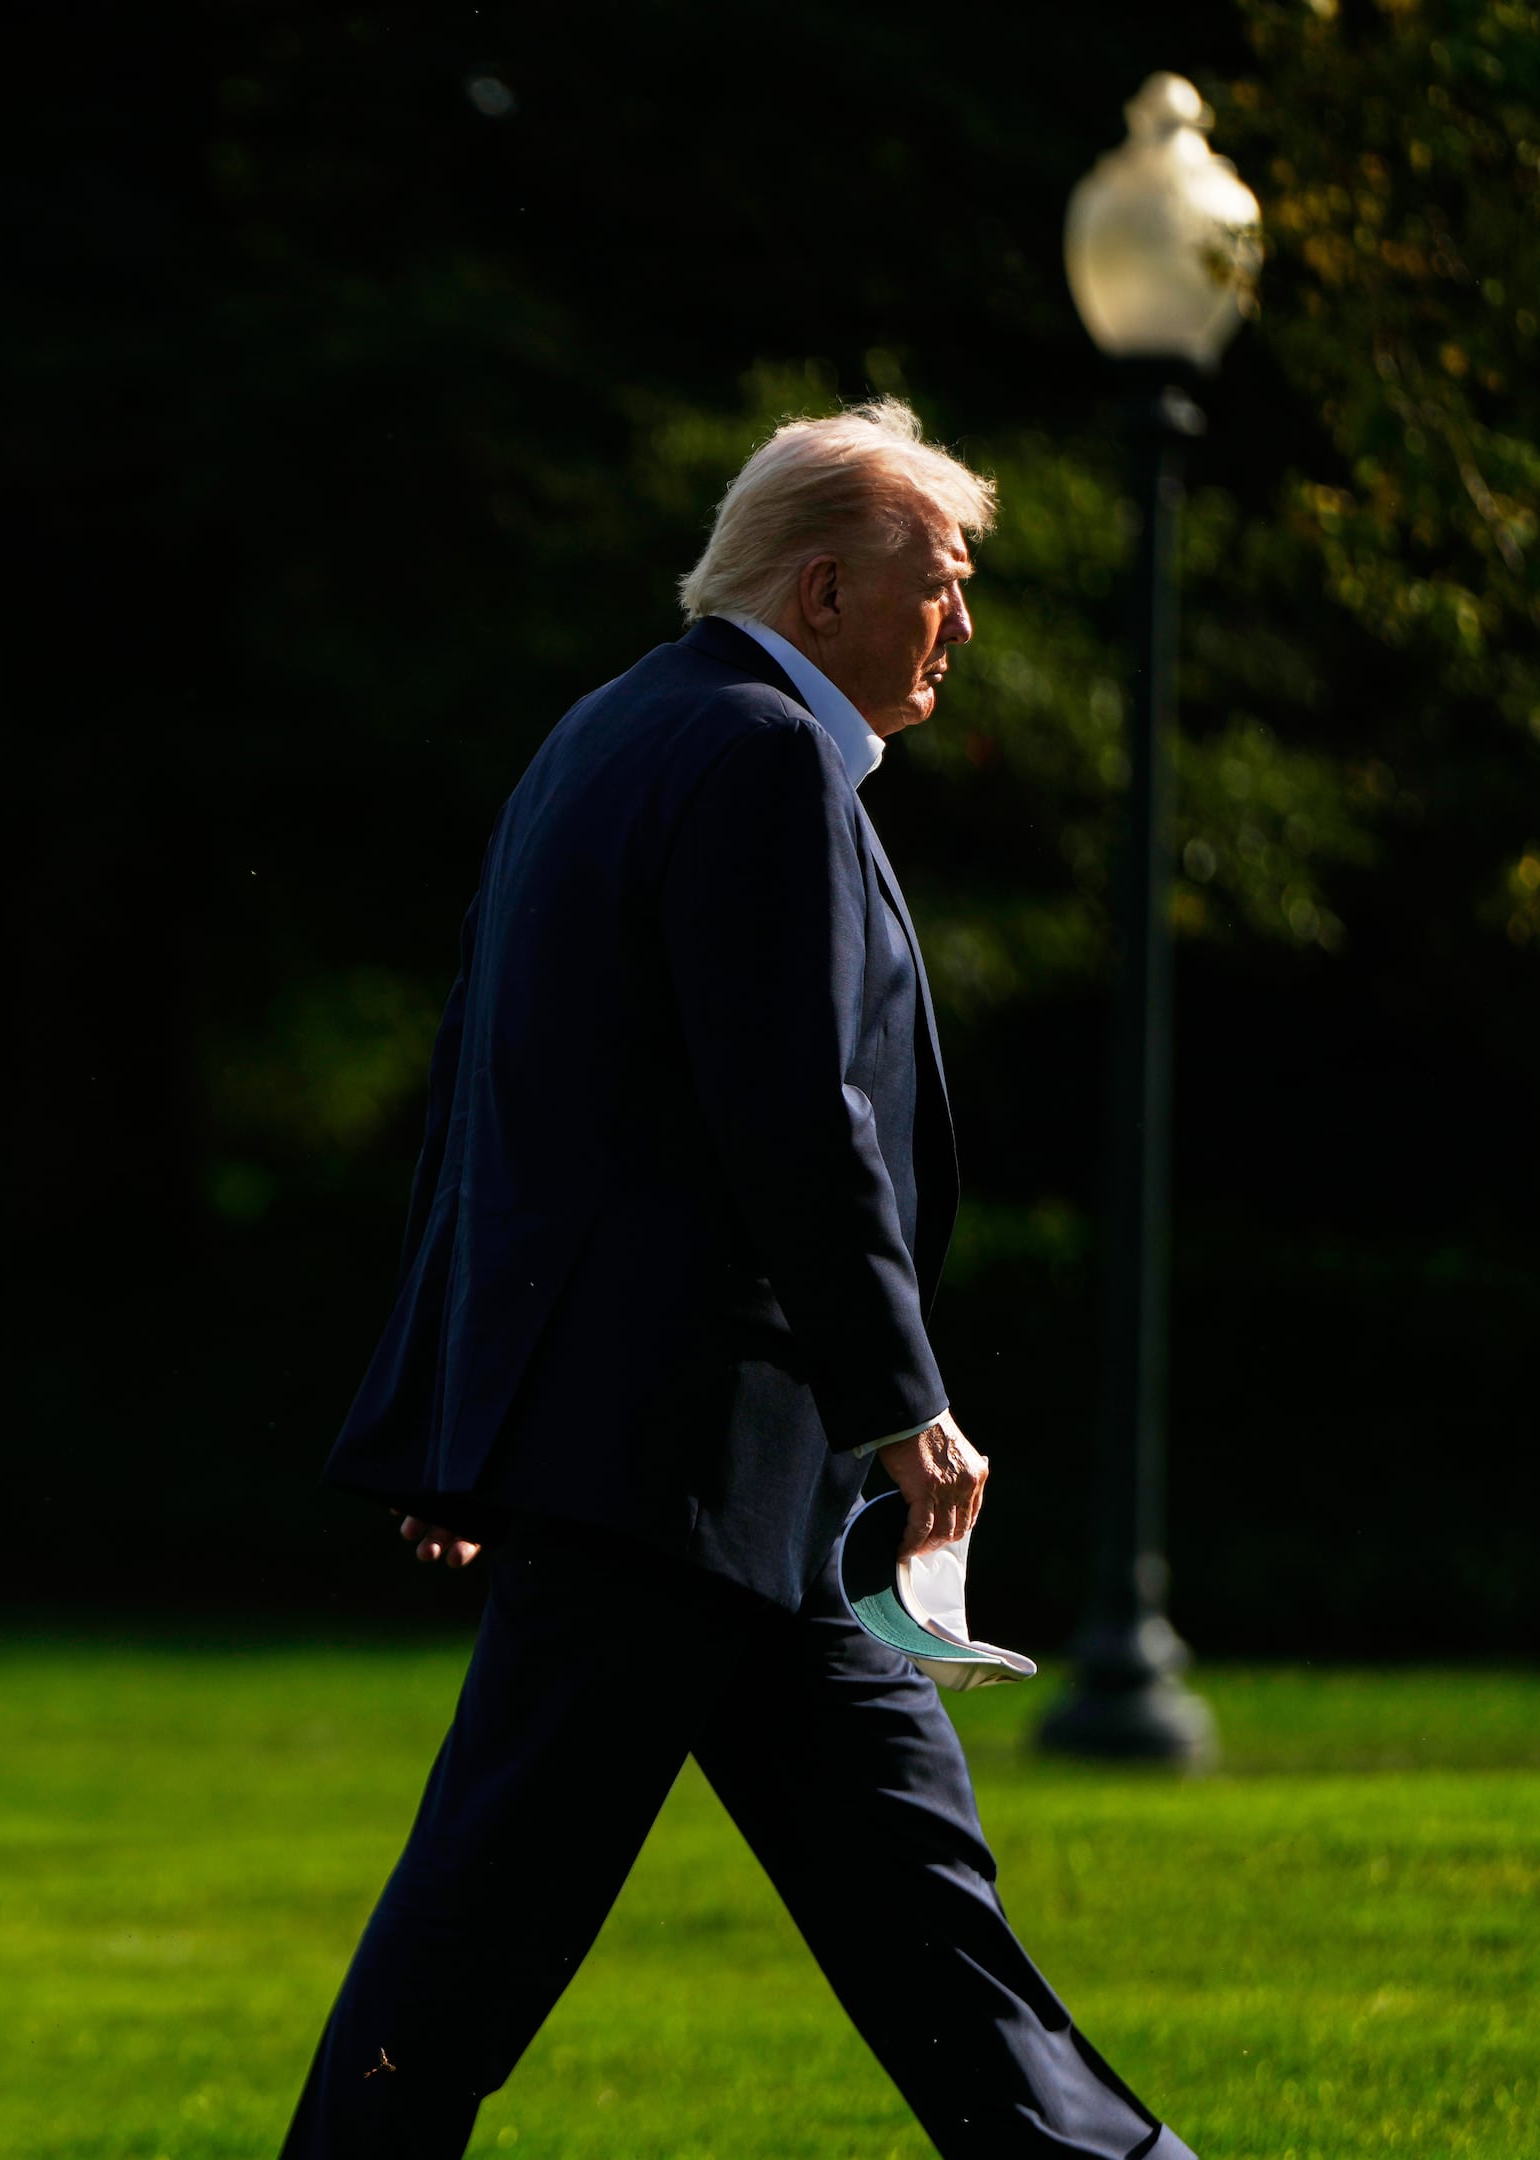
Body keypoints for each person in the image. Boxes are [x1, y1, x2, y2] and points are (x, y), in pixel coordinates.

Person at [288, 401, 1197, 2159]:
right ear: (830, 584)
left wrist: (464, 1412)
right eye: (942, 585)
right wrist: (906, 1402)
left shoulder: (604, 733)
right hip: (680, 1474)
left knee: (927, 1923)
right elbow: (791, 1118)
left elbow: (495, 1098)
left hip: (735, 1501)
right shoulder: (760, 755)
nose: (963, 627)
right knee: (474, 1937)